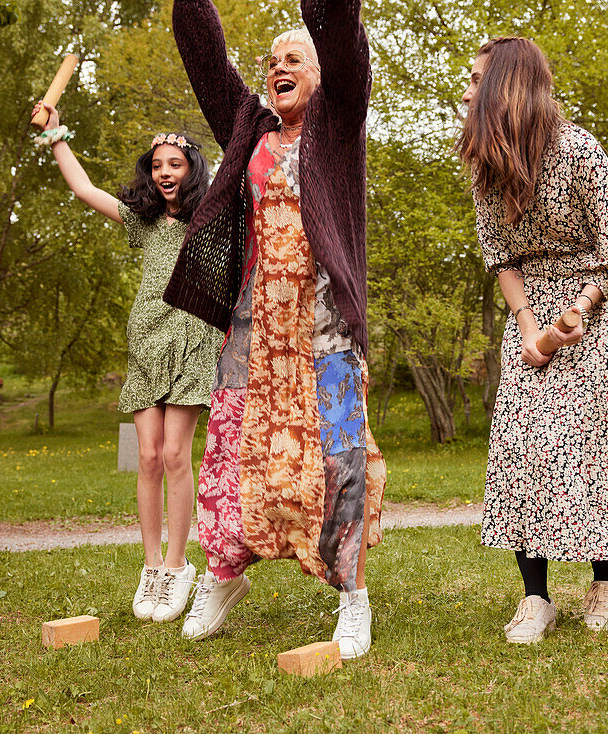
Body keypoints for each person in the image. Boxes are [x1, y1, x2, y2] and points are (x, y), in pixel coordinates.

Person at [162, 0, 385, 659]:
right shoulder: (250, 130)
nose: (277, 68)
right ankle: (224, 575)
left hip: (325, 327)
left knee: (338, 456)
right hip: (254, 330)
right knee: (232, 453)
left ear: (322, 75)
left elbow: (343, 39)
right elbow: (207, 60)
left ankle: (353, 600)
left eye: (293, 59)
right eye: (272, 63)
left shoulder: (339, 126)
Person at [457, 37, 608, 644]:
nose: (467, 91)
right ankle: (535, 598)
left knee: (595, 448)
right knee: (525, 448)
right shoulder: (487, 164)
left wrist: (574, 314)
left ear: (506, 87)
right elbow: (500, 255)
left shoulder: (581, 152)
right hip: (532, 311)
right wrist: (529, 326)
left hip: (596, 307)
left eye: (477, 79)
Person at [30, 101, 222, 624]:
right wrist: (56, 134)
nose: (164, 173)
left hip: (191, 337)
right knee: (149, 457)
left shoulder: (213, 218)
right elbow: (85, 190)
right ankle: (153, 567)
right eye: (157, 165)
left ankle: (180, 565)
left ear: (193, 170)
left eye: (175, 165)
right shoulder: (142, 222)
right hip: (146, 338)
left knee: (179, 455)